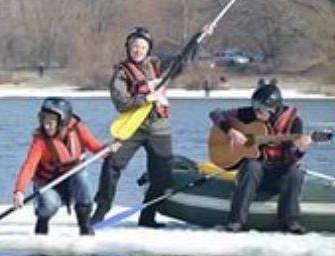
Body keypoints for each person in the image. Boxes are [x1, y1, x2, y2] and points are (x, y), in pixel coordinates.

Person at [91, 24, 215, 228]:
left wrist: (200, 36)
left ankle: (147, 216)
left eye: (141, 46)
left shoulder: (158, 65)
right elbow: (121, 101)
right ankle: (101, 210)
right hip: (133, 128)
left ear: (148, 48)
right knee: (111, 165)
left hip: (159, 128)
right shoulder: (121, 73)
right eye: (134, 46)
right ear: (128, 48)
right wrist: (145, 98)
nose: (137, 50)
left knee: (162, 177)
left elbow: (182, 60)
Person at [209, 78, 311, 234]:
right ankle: (236, 221)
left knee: (295, 173)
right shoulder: (251, 114)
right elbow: (215, 113)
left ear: (273, 109)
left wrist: (300, 150)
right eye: (254, 108)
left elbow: (291, 159)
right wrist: (231, 131)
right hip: (255, 171)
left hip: (278, 171)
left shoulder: (294, 123)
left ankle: (290, 222)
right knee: (252, 166)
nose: (255, 113)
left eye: (260, 110)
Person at [13, 97, 114, 235]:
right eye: (43, 121)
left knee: (82, 176)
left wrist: (109, 149)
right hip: (49, 185)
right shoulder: (40, 141)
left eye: (50, 122)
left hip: (73, 183)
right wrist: (19, 190)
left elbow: (96, 147)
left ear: (62, 122)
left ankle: (84, 225)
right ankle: (42, 223)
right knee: (49, 205)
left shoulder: (78, 130)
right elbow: (29, 166)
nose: (46, 126)